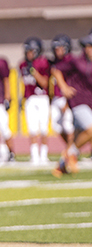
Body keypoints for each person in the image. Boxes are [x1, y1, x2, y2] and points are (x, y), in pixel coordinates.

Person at [51, 33, 92, 174]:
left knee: (78, 136)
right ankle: (71, 154)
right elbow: (56, 70)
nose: (90, 50)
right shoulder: (76, 61)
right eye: (88, 47)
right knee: (90, 129)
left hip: (90, 102)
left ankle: (61, 165)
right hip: (78, 101)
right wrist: (63, 87)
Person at [18, 37, 51, 165]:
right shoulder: (22, 65)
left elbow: (44, 83)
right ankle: (34, 155)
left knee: (43, 128)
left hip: (42, 97)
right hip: (30, 98)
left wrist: (34, 71)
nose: (28, 54)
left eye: (30, 51)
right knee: (32, 128)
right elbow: (24, 83)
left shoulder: (43, 63)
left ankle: (44, 154)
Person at [49, 35, 76, 175]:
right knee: (56, 126)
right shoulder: (54, 63)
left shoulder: (71, 62)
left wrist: (67, 99)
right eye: (56, 48)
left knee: (68, 126)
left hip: (66, 97)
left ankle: (71, 154)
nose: (58, 51)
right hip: (56, 98)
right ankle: (70, 149)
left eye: (60, 48)